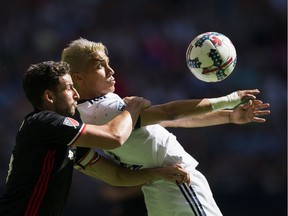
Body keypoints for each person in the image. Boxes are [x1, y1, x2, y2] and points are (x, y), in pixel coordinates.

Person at [61, 38, 270, 216]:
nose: (111, 70)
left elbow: (170, 121)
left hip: (158, 187)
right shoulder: (104, 109)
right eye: (100, 66)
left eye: (108, 63)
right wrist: (228, 99)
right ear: (78, 77)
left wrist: (229, 117)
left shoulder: (86, 112)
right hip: (179, 182)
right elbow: (169, 112)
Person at [0, 61, 191, 216]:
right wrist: (132, 107)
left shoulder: (64, 138)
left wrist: (158, 173)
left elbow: (116, 175)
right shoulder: (44, 122)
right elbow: (114, 137)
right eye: (68, 88)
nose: (76, 94)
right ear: (49, 96)